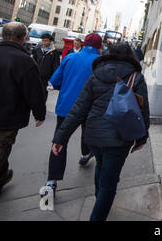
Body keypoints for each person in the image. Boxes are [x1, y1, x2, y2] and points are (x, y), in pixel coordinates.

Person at [52, 42, 150, 221]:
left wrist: (61, 137)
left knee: (101, 165)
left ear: (109, 54)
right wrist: (141, 139)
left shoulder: (96, 75)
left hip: (94, 134)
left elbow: (79, 108)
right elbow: (143, 111)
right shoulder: (136, 77)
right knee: (109, 183)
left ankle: (100, 200)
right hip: (121, 138)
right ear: (130, 56)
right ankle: (98, 212)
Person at [0, 22, 45, 210]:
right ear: (23, 38)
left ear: (3, 36)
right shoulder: (24, 60)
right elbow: (34, 92)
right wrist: (39, 113)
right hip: (4, 121)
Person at [41, 33, 102, 197]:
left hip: (66, 107)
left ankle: (51, 182)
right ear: (100, 47)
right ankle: (85, 154)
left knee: (60, 141)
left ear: (84, 44)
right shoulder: (100, 63)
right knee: (87, 134)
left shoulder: (69, 58)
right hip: (90, 108)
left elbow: (54, 82)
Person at [32, 33, 60, 101]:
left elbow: (55, 66)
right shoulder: (38, 50)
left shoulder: (55, 52)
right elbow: (33, 61)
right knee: (33, 92)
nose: (44, 42)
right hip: (36, 76)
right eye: (43, 40)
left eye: (46, 40)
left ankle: (41, 107)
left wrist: (53, 79)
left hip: (46, 78)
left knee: (43, 94)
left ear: (50, 41)